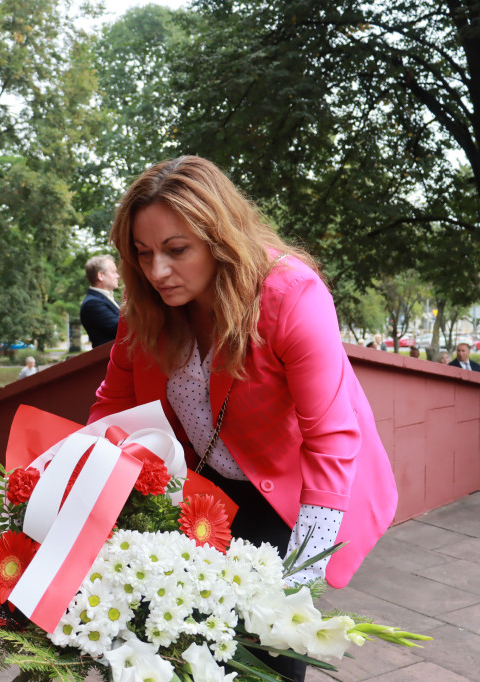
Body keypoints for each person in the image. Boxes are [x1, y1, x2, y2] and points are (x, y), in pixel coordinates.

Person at [87, 156, 398, 681]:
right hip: (206, 495)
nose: (157, 271)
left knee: (268, 653)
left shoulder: (290, 294)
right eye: (142, 254)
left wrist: (298, 580)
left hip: (291, 495)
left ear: (219, 238)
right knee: (189, 649)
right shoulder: (145, 308)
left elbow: (330, 438)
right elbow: (109, 413)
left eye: (176, 250)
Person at [80, 254, 121, 347]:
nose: (117, 276)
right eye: (113, 272)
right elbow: (121, 329)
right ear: (101, 276)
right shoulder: (92, 304)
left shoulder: (108, 300)